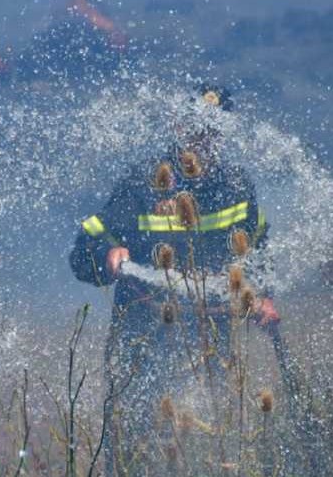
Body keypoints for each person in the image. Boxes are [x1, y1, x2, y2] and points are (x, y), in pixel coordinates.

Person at [68, 85, 278, 470]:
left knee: (208, 452)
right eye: (196, 129)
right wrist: (107, 255)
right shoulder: (140, 184)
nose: (203, 140)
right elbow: (82, 251)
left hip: (209, 345)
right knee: (133, 452)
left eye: (213, 131)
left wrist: (262, 295)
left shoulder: (238, 189)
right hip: (139, 345)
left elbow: (262, 254)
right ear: (179, 127)